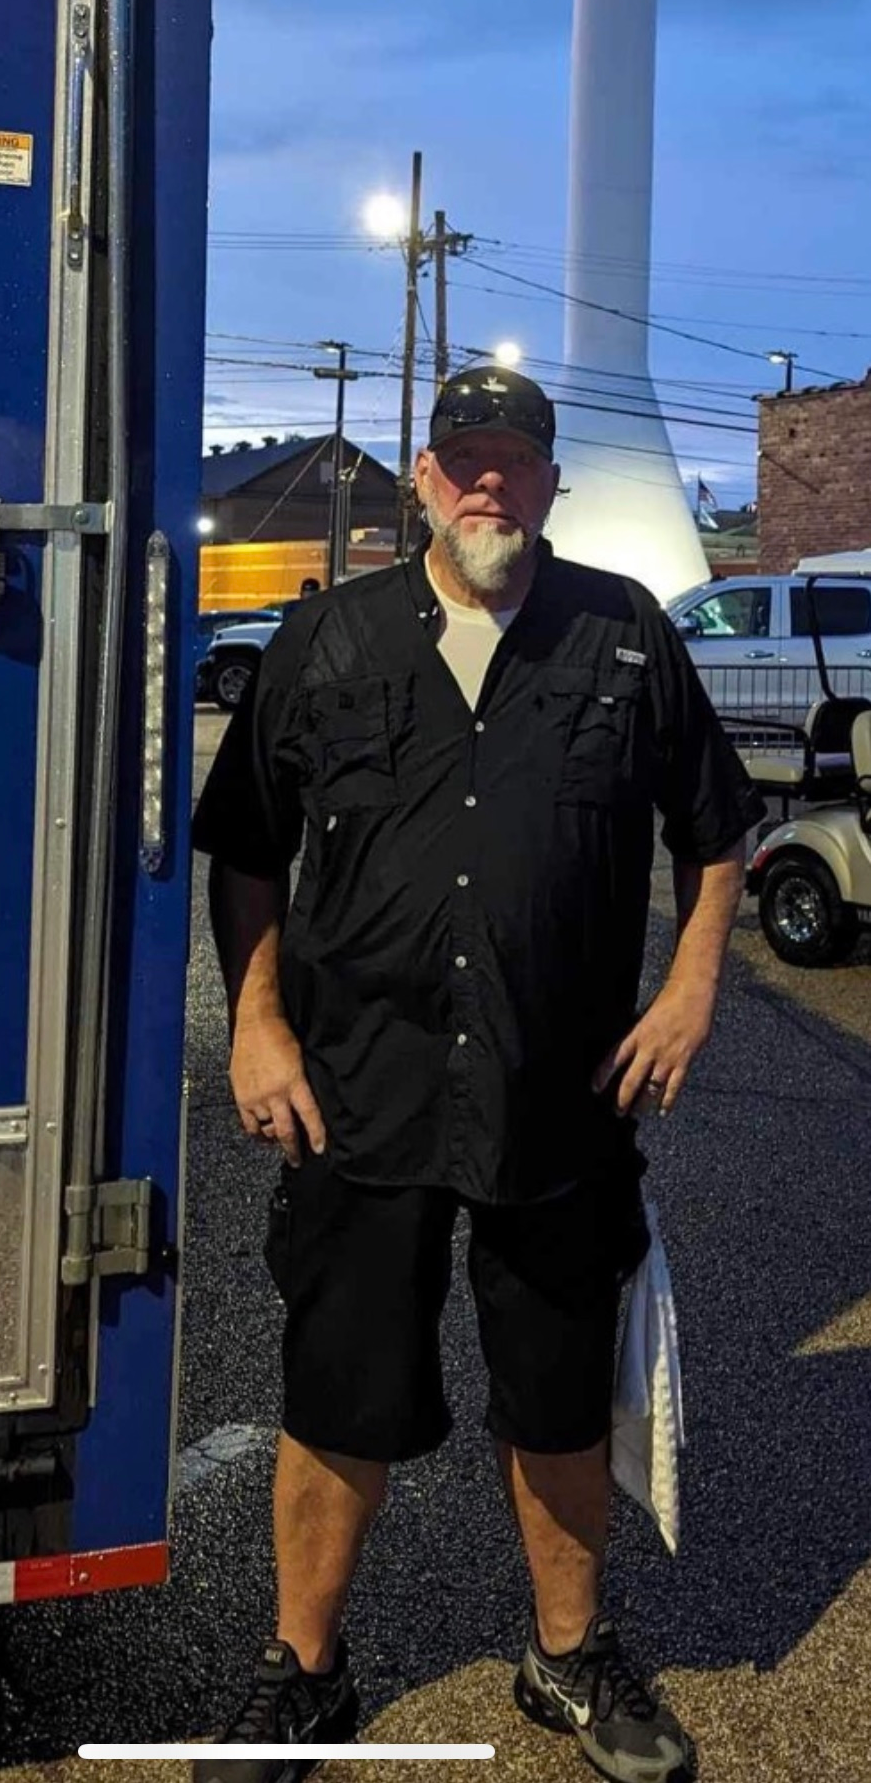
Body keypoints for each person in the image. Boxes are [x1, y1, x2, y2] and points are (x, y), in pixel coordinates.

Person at [190, 366, 764, 1783]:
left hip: (557, 1097)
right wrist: (257, 1026)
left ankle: (566, 1656)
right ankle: (304, 1671)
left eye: (516, 456)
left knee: (558, 1397)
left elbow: (717, 828)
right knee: (338, 1396)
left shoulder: (622, 633)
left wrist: (692, 989)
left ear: (552, 481)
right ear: (424, 479)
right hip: (357, 1092)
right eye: (465, 458)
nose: (489, 478)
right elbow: (248, 850)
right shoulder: (325, 638)